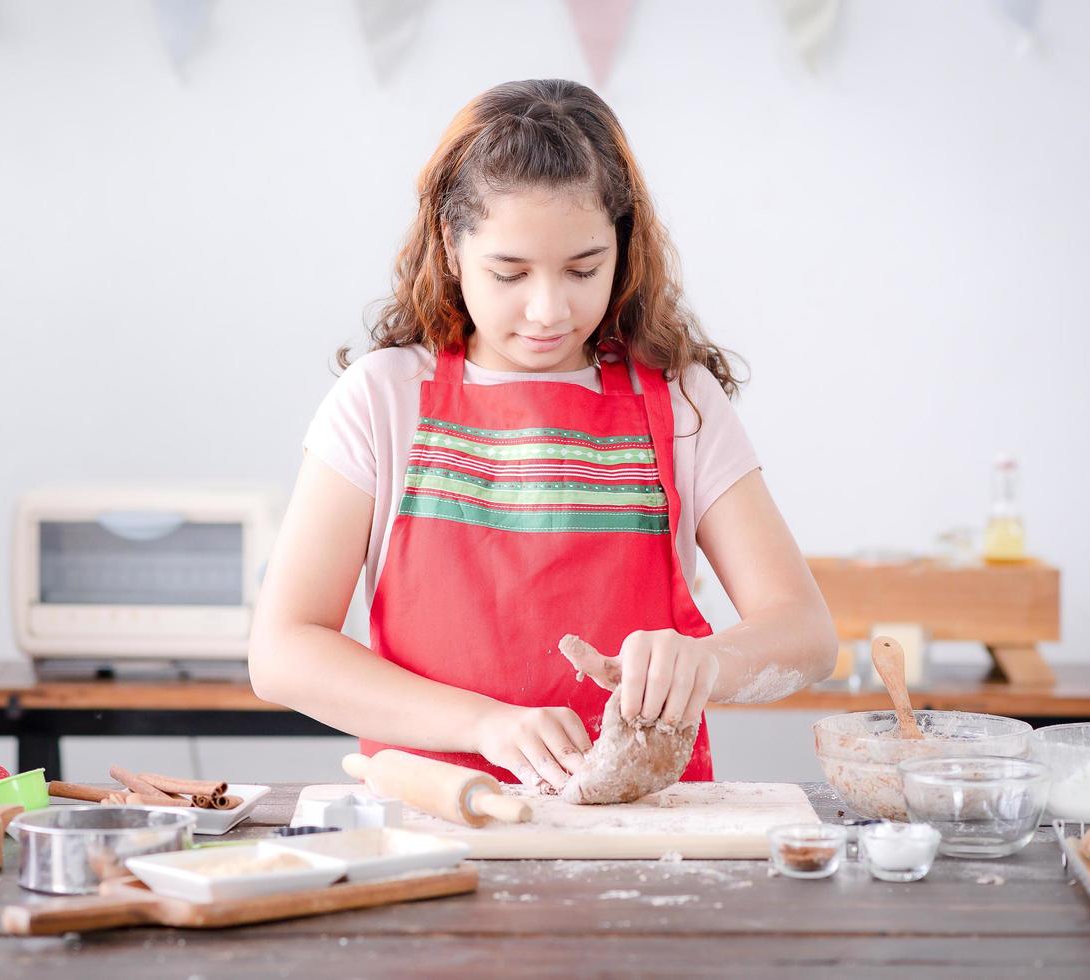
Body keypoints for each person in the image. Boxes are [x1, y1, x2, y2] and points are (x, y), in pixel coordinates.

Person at [249, 78, 836, 791]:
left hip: (643, 827)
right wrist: (482, 724)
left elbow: (804, 634)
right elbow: (282, 651)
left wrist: (706, 663)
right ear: (450, 243)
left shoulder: (681, 403)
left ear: (621, 243)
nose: (548, 309)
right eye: (510, 272)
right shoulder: (383, 400)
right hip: (436, 824)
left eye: (583, 268)